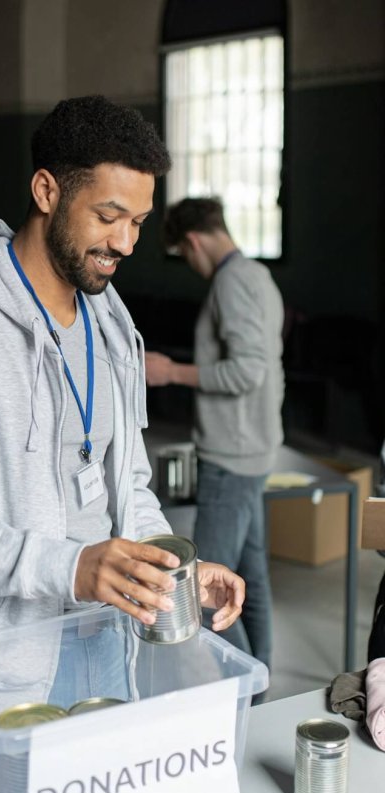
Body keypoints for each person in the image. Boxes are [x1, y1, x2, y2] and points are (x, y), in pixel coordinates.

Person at [0, 98, 246, 766]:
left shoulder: (111, 326)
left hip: (108, 639)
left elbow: (127, 483)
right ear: (47, 190)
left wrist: (173, 571)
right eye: (108, 217)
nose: (127, 244)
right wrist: (70, 567)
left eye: (137, 222)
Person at [145, 197, 284, 669]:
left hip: (232, 456)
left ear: (193, 242)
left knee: (207, 591)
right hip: (255, 449)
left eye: (185, 256)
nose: (192, 265)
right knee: (252, 578)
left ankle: (242, 686)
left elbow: (249, 372)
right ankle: (260, 686)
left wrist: (170, 372)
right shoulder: (259, 276)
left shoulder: (230, 283)